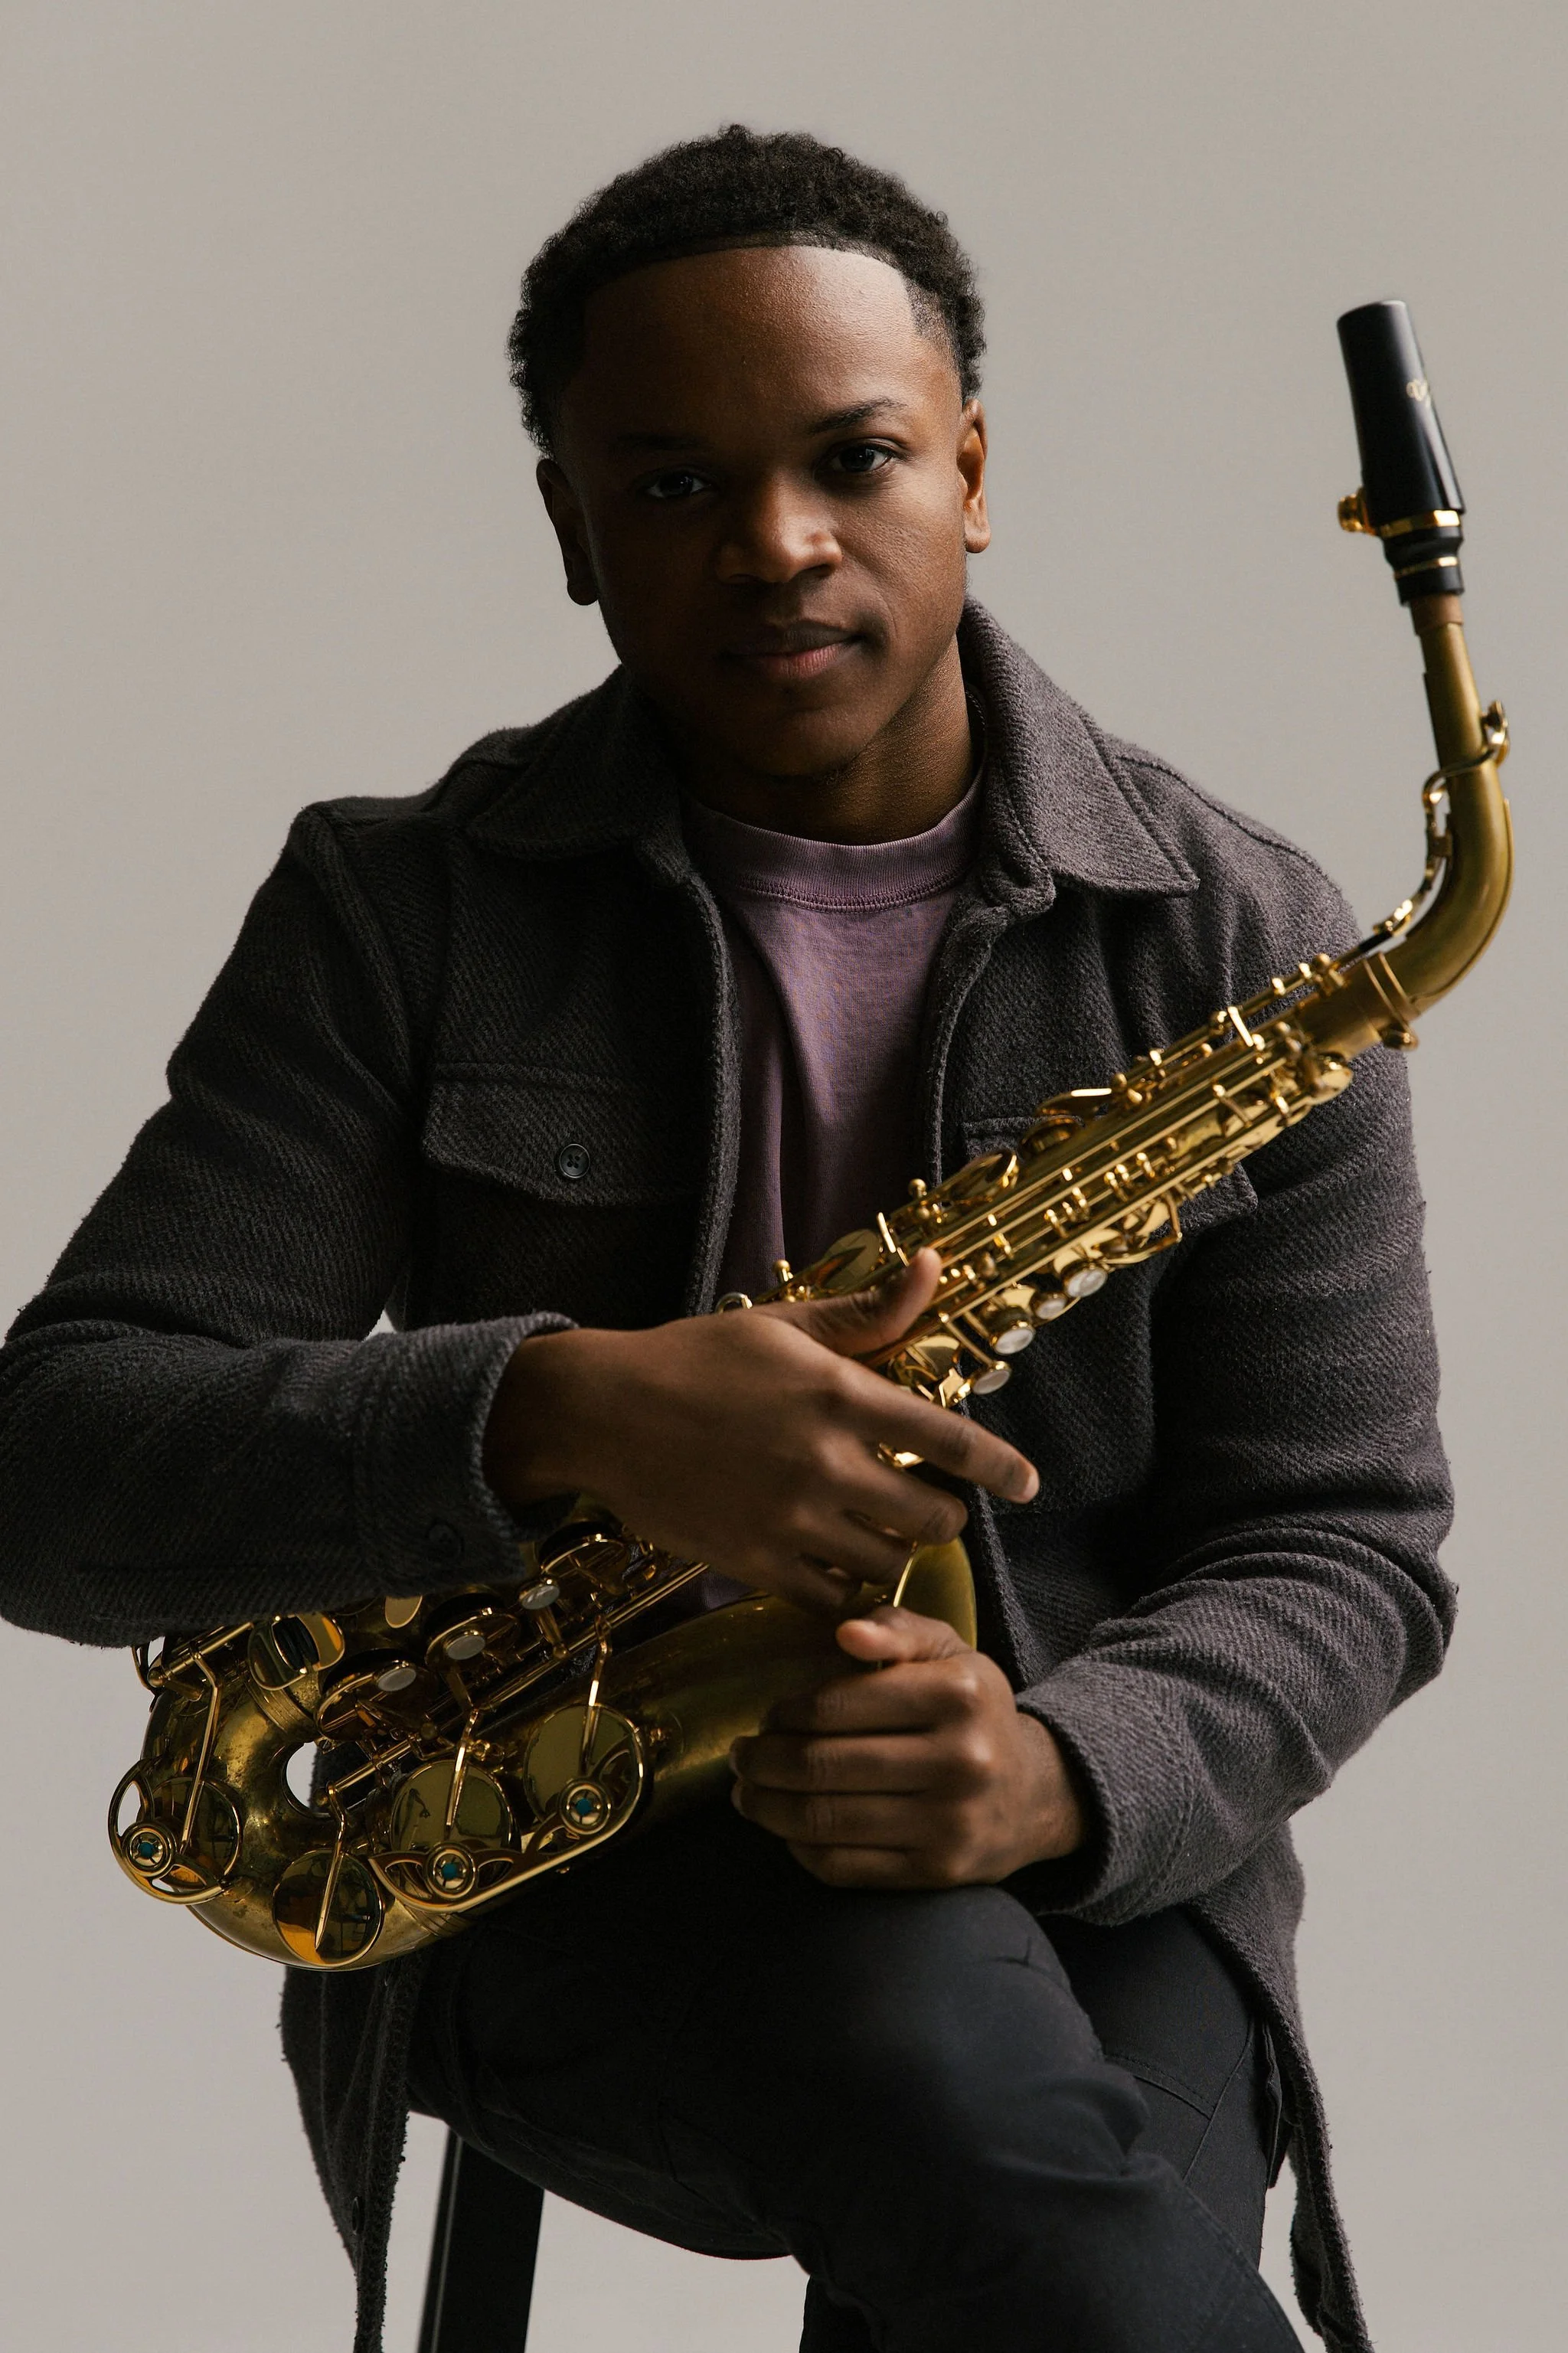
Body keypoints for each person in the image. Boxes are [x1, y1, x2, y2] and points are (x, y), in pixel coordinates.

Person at [0, 127, 1452, 2353]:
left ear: (970, 471)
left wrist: (1062, 1771)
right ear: (573, 530)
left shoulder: (1244, 935)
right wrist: (559, 1409)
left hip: (1080, 1822)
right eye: (671, 486)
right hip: (557, 1840)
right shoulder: (402, 913)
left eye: (854, 458)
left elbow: (1343, 1542)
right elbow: (58, 1467)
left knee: (1044, 2185)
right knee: (993, 2155)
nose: (778, 544)